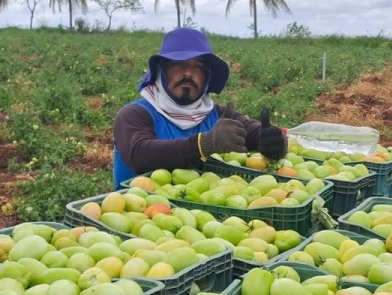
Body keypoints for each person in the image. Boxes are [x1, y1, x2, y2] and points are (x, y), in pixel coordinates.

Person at [112, 27, 287, 187]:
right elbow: (141, 155)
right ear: (161, 70)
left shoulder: (218, 115)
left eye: (198, 66)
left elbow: (256, 133)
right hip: (140, 216)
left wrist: (274, 142)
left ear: (207, 77)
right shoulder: (134, 115)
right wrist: (204, 145)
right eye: (178, 64)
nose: (188, 73)